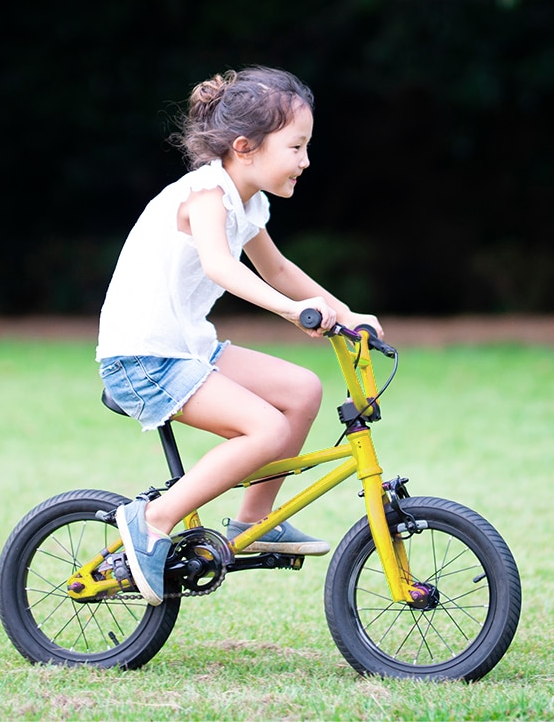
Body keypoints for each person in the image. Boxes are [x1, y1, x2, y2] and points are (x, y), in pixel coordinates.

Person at [95, 66, 382, 606]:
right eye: (296, 147)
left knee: (302, 391)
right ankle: (151, 519)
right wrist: (295, 313)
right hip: (143, 359)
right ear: (246, 147)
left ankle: (254, 521)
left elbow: (276, 269)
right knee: (266, 430)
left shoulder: (248, 201)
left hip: (188, 350)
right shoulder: (207, 192)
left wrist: (344, 315)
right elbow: (221, 267)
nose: (306, 160)